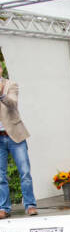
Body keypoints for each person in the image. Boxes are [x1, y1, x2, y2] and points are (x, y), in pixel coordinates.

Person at [0, 64, 37, 219]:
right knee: (0, 176)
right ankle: (3, 208)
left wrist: (1, 93)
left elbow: (12, 103)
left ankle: (30, 205)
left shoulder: (11, 85)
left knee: (25, 173)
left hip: (14, 135)